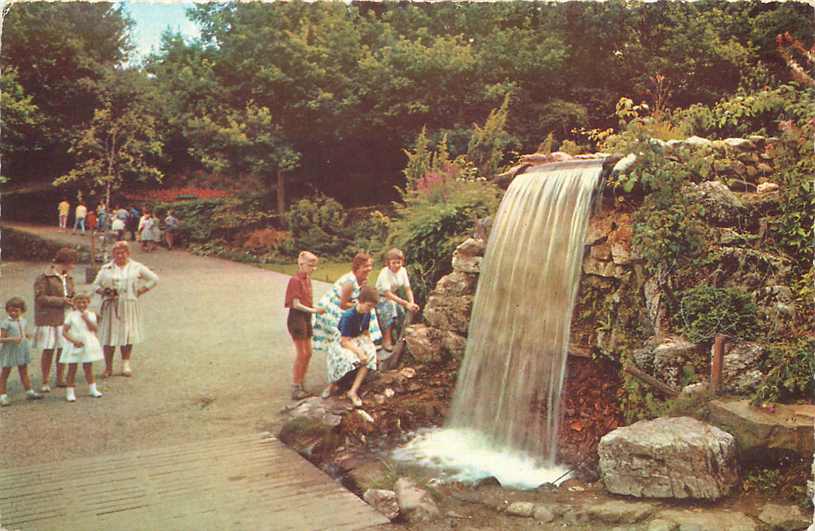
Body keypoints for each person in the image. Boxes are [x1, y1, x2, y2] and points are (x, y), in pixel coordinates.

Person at [92, 241, 159, 378]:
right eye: (117, 253)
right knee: (109, 335)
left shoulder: (136, 267)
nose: (120, 255)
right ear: (113, 254)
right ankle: (108, 367)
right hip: (110, 305)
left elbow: (154, 279)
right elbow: (94, 285)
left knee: (127, 334)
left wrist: (140, 291)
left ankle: (125, 364)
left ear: (128, 253)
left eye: (123, 252)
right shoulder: (106, 268)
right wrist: (104, 291)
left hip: (129, 304)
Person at [312, 252, 382, 360]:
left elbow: (362, 297)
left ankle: (367, 344)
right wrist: (357, 306)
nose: (369, 269)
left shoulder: (363, 278)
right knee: (360, 314)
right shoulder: (349, 282)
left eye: (370, 265)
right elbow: (343, 305)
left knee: (368, 310)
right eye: (365, 266)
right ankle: (351, 348)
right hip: (332, 308)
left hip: (350, 303)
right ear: (357, 267)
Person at [324, 286, 379, 407]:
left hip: (356, 339)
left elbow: (365, 331)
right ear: (361, 301)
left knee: (370, 356)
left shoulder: (367, 313)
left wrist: (370, 346)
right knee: (350, 358)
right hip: (342, 341)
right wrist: (359, 352)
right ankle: (333, 383)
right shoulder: (348, 316)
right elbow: (344, 341)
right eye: (369, 305)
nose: (370, 308)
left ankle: (353, 391)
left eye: (372, 306)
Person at [33, 247, 77, 392]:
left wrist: (74, 301)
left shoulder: (69, 278)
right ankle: (45, 380)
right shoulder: (44, 277)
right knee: (48, 350)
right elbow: (40, 298)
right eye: (72, 262)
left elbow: (72, 294)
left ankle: (60, 378)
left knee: (63, 348)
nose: (73, 266)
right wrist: (61, 301)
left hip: (65, 317)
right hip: (49, 318)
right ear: (65, 261)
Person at [285, 251, 326, 400]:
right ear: (301, 264)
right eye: (310, 265)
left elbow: (307, 302)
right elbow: (296, 304)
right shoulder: (295, 280)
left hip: (306, 317)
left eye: (315, 266)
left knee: (308, 353)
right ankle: (295, 387)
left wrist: (315, 309)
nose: (313, 269)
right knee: (301, 353)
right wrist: (315, 310)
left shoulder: (307, 279)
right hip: (297, 318)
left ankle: (302, 383)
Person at [60, 292, 104, 402]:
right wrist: (73, 341)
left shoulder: (91, 314)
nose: (81, 305)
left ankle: (92, 389)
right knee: (72, 368)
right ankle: (70, 392)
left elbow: (94, 329)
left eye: (84, 302)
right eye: (78, 302)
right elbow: (64, 332)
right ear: (74, 303)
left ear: (88, 303)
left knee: (88, 367)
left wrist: (86, 319)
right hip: (75, 343)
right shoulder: (71, 315)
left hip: (87, 342)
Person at [375, 248, 420, 355]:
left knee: (401, 312)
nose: (396, 265)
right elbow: (387, 293)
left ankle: (402, 339)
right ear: (388, 263)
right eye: (393, 263)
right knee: (389, 309)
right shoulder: (385, 272)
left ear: (402, 262)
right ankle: (386, 340)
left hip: (392, 296)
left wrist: (411, 302)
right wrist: (406, 303)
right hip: (379, 297)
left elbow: (407, 288)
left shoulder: (403, 271)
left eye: (398, 262)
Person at [0, 297, 43, 406]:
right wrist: (12, 339)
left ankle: (29, 391)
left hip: (22, 348)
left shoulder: (23, 320)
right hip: (10, 350)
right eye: (10, 311)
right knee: (5, 372)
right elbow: (1, 338)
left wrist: (30, 336)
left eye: (16, 310)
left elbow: (23, 333)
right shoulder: (5, 323)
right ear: (7, 310)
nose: (13, 313)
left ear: (22, 310)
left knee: (24, 370)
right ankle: (2, 395)